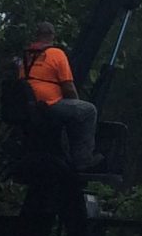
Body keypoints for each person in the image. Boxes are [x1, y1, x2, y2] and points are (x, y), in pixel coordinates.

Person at [22, 21, 99, 171]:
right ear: (52, 36)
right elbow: (68, 87)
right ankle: (82, 160)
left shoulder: (26, 56)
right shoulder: (56, 54)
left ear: (36, 36)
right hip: (48, 105)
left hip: (29, 105)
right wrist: (75, 102)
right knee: (87, 111)